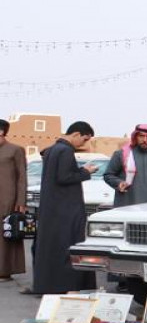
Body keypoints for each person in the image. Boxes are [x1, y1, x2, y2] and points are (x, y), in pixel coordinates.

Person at [32, 121, 98, 295]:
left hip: (53, 207)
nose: (84, 143)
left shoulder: (53, 149)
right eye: (84, 139)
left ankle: (49, 285)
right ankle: (67, 286)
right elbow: (64, 177)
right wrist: (86, 171)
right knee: (69, 246)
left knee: (52, 248)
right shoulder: (65, 150)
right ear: (76, 134)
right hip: (66, 208)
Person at [102, 123, 147, 208]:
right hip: (126, 208)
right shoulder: (122, 154)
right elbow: (108, 175)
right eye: (141, 136)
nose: (145, 140)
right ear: (135, 136)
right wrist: (118, 183)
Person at [0, 119, 26, 281]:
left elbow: (22, 177)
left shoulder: (15, 150)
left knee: (5, 235)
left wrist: (21, 201)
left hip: (7, 199)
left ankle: (4, 271)